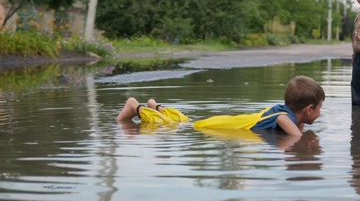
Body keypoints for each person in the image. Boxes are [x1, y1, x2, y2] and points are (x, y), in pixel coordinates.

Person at [116, 75, 325, 136]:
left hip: (227, 122)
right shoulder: (285, 117)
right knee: (179, 126)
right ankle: (135, 107)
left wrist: (301, 124)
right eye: (319, 108)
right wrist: (300, 137)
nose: (320, 113)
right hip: (222, 127)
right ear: (308, 109)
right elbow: (282, 121)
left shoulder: (288, 112)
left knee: (186, 122)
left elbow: (287, 118)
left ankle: (157, 107)